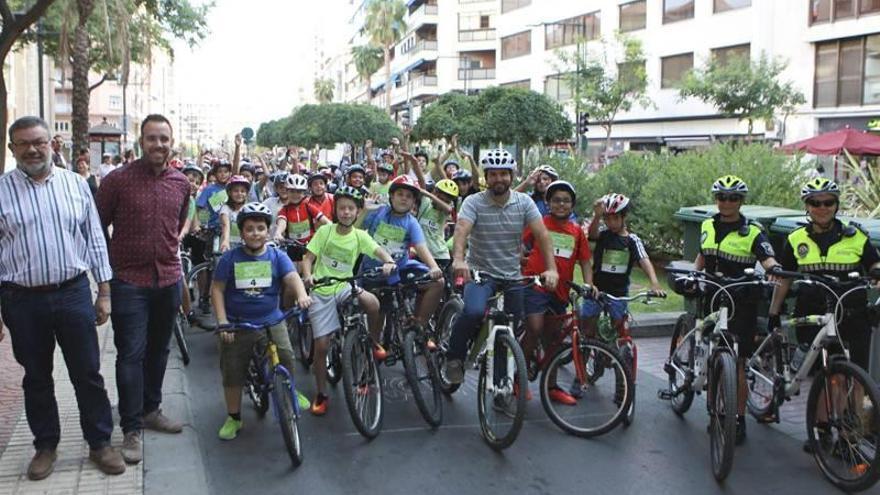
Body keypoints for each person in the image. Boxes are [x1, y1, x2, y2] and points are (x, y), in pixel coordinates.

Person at [0, 116, 125, 479]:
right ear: (12, 149)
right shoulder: (2, 191)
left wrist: (104, 291)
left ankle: (100, 442)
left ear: (51, 144)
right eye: (23, 143)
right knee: (36, 376)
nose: (33, 149)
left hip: (72, 293)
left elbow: (95, 240)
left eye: (39, 141)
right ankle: (45, 445)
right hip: (22, 301)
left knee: (87, 372)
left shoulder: (76, 185)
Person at [96, 114, 191, 465]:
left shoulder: (182, 183)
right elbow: (97, 228)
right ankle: (131, 428)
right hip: (128, 282)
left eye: (164, 139)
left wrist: (178, 276)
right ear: (141, 141)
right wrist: (106, 279)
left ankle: (152, 409)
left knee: (160, 351)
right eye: (152, 138)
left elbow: (177, 225)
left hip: (167, 278)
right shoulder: (118, 181)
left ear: (171, 142)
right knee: (130, 355)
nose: (158, 145)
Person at [769, 178, 880, 452]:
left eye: (828, 202)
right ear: (807, 206)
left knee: (853, 376)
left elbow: (875, 265)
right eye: (815, 203)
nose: (822, 207)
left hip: (852, 312)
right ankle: (821, 428)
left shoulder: (857, 236)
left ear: (836, 204)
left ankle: (849, 434)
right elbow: (783, 279)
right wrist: (774, 312)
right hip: (813, 312)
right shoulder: (796, 239)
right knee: (827, 373)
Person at [444, 149, 559, 383]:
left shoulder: (524, 202)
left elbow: (542, 235)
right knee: (474, 312)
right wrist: (458, 258)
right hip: (480, 272)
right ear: (486, 176)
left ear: (512, 175)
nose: (499, 179)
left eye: (503, 174)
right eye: (493, 174)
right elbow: (462, 230)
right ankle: (454, 357)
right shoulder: (473, 202)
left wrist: (552, 268)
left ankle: (500, 381)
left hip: (512, 276)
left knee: (512, 327)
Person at [211, 203, 312, 440]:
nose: (255, 233)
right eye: (249, 229)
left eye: (260, 228)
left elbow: (292, 278)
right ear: (242, 232)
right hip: (238, 324)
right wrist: (223, 321)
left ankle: (290, 389)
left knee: (286, 355)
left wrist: (302, 295)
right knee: (233, 370)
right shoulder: (229, 259)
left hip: (272, 320)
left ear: (268, 231)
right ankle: (234, 417)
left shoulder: (277, 256)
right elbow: (216, 290)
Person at [690, 176, 778, 445]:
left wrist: (774, 271)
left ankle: (737, 420)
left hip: (742, 304)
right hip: (712, 298)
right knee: (712, 357)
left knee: (736, 363)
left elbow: (768, 259)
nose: (727, 202)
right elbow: (703, 256)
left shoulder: (752, 231)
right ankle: (714, 412)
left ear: (741, 201)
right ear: (716, 200)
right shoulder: (707, 224)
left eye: (733, 198)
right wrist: (693, 276)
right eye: (722, 197)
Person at [299, 186, 396, 415]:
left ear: (357, 211)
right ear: (336, 210)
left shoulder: (359, 236)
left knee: (372, 303)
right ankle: (321, 393)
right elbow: (308, 258)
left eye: (351, 208)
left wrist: (389, 261)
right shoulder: (325, 232)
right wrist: (307, 275)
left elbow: (378, 250)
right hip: (322, 289)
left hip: (345, 286)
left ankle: (373, 342)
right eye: (342, 208)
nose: (346, 212)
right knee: (321, 346)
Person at [521, 181, 593, 405]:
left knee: (552, 340)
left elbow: (585, 261)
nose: (561, 204)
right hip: (535, 286)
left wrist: (590, 284)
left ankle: (550, 386)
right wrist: (520, 261)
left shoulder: (577, 232)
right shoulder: (539, 223)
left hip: (560, 290)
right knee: (534, 328)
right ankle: (518, 381)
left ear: (572, 205)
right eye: (556, 200)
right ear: (548, 203)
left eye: (566, 200)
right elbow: (520, 244)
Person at [359, 176, 445, 350]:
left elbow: (421, 247)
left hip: (400, 269)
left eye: (409, 196)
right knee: (379, 313)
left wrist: (434, 267)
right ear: (391, 196)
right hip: (374, 271)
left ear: (414, 201)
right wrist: (364, 212)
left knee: (438, 283)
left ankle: (418, 325)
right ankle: (373, 351)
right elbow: (355, 231)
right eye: (400, 194)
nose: (404, 198)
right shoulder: (377, 212)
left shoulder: (412, 223)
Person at [273, 174, 330, 261]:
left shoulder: (308, 206)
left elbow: (324, 219)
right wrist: (278, 233)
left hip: (311, 245)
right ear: (287, 191)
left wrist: (332, 228)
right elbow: (282, 222)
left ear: (304, 193)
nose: (295, 195)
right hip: (292, 246)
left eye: (299, 192)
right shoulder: (284, 210)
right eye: (292, 191)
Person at [219, 175, 251, 252]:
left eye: (242, 191)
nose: (239, 193)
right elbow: (225, 225)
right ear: (229, 193)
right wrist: (226, 240)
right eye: (236, 191)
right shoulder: (225, 208)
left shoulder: (248, 209)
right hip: (228, 245)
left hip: (245, 245)